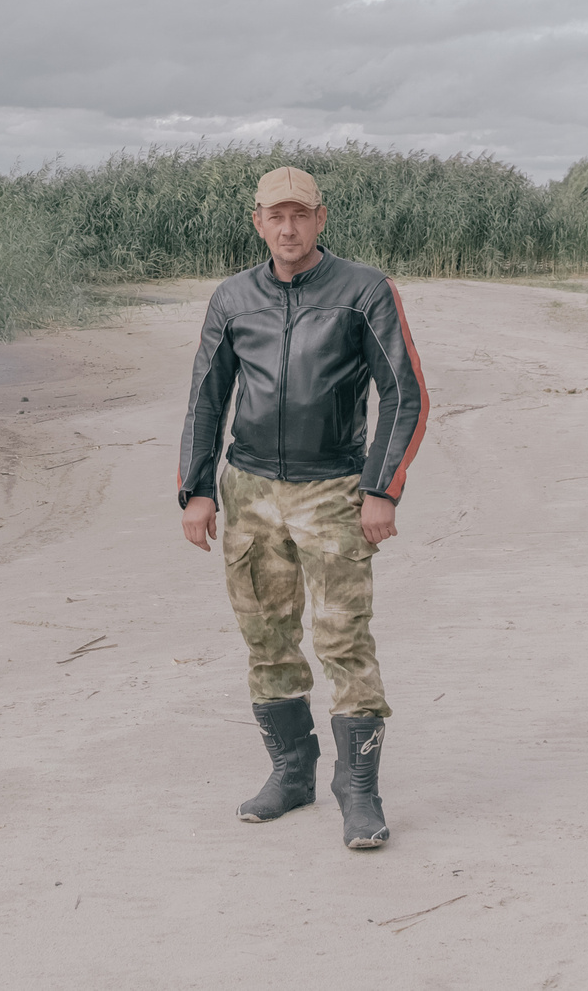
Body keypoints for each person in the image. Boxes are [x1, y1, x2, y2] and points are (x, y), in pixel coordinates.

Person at [176, 165, 430, 850]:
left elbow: (404, 393)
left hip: (334, 491)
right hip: (249, 492)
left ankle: (359, 789)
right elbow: (206, 398)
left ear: (321, 217)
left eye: (300, 214)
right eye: (275, 215)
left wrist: (380, 488)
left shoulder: (364, 291)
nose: (287, 228)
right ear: (257, 221)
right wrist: (197, 490)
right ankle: (291, 773)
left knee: (344, 638)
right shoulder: (233, 298)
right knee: (266, 636)